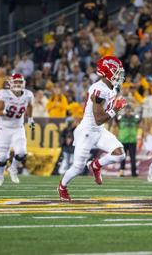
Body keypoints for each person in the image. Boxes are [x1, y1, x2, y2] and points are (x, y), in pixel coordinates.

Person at [58, 56, 127, 201]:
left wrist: (116, 109)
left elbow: (103, 118)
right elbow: (98, 118)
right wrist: (115, 109)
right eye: (116, 72)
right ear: (107, 73)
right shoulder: (98, 89)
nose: (120, 76)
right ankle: (62, 186)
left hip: (99, 130)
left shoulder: (112, 87)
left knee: (120, 154)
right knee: (78, 167)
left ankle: (96, 165)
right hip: (87, 131)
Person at [0, 73, 35, 186]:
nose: (18, 84)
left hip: (18, 127)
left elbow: (29, 106)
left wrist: (30, 119)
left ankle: (13, 168)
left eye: (20, 82)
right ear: (10, 83)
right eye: (15, 82)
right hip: (4, 128)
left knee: (21, 152)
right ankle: (0, 176)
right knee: (2, 156)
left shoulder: (28, 95)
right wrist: (4, 112)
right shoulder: (4, 94)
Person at [116, 105, 140, 177]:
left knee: (133, 157)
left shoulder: (135, 118)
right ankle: (121, 172)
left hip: (132, 140)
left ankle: (133, 172)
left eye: (129, 110)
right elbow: (115, 122)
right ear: (125, 110)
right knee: (122, 157)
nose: (128, 112)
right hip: (123, 140)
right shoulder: (121, 118)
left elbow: (140, 120)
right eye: (127, 110)